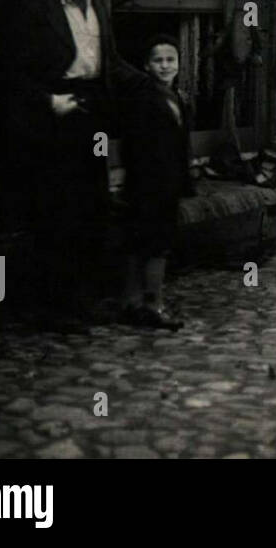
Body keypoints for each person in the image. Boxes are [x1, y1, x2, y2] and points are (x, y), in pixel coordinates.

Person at [8, 0, 144, 318]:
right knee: (58, 212)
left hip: (93, 112)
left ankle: (87, 298)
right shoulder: (36, 11)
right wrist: (51, 101)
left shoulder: (97, 5)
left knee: (93, 206)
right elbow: (12, 75)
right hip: (55, 116)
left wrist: (153, 87)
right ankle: (56, 308)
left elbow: (111, 63)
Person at [119, 35, 194, 330]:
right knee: (152, 244)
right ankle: (150, 305)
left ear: (178, 64)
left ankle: (135, 303)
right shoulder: (143, 98)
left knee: (147, 241)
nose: (165, 66)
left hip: (167, 182)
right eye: (158, 60)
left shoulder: (176, 98)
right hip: (149, 183)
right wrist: (147, 179)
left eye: (170, 60)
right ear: (146, 65)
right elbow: (134, 145)